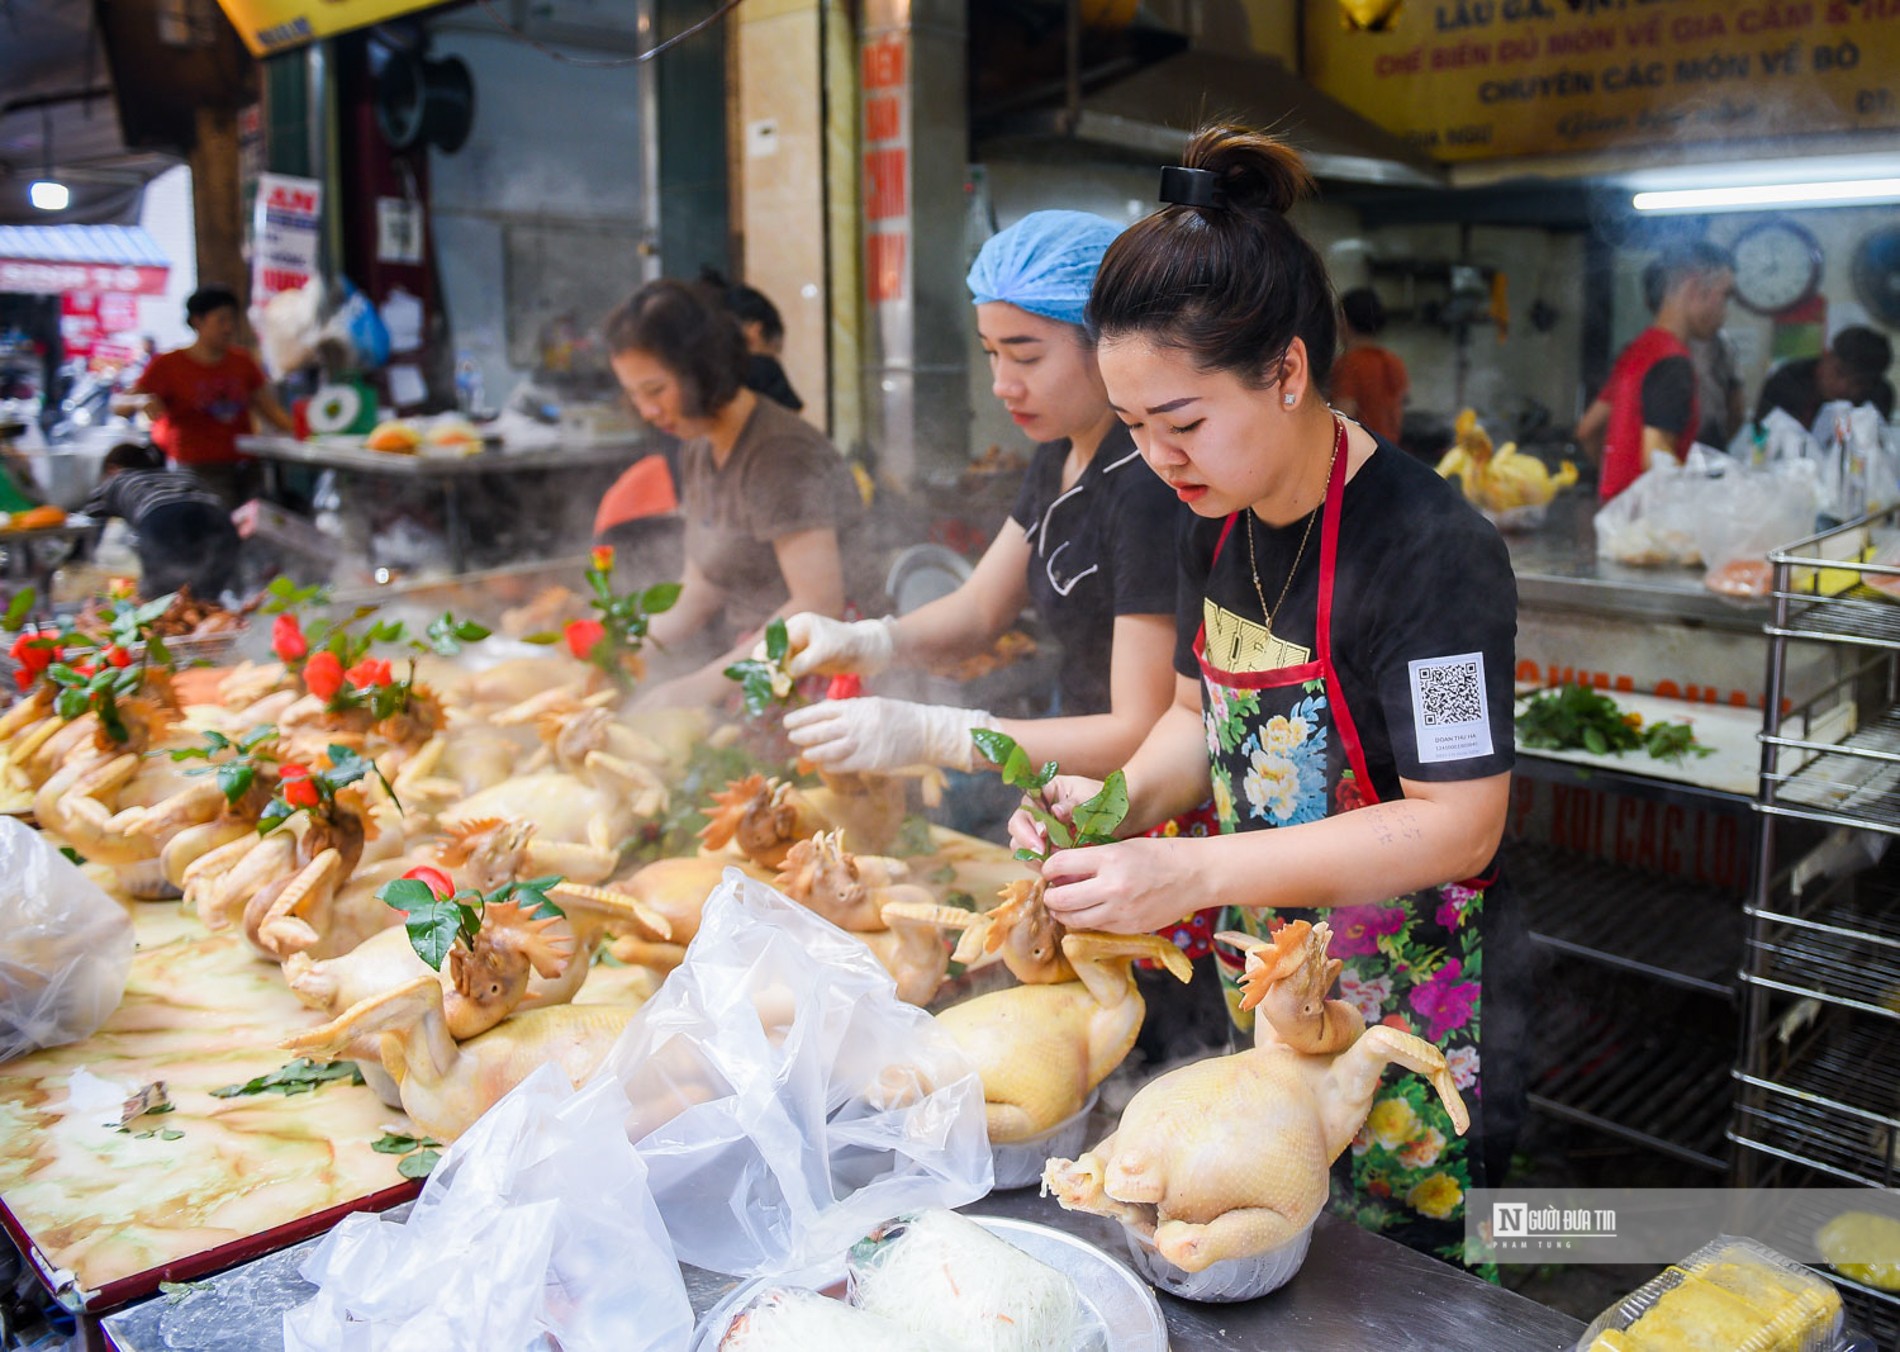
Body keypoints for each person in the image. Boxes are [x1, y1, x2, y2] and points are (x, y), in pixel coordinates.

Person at [1007, 125, 1525, 1269]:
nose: (1158, 458)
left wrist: (1191, 871)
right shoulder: (1209, 515)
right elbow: (1197, 719)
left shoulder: (1435, 551)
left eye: (1181, 422)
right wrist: (1109, 805)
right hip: (1276, 971)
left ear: (1287, 370)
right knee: (1260, 1235)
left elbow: (1460, 820)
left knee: (1400, 1272)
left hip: (1408, 999)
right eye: (1134, 426)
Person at [773, 212, 1227, 1047]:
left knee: (1135, 1034)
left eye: (1026, 355)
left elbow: (1142, 727)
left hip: (1143, 807)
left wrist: (943, 732)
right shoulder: (1062, 454)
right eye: (991, 355)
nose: (1002, 384)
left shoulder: (1149, 488)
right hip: (1063, 783)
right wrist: (872, 640)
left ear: (1110, 344)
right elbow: (981, 608)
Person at [606, 278, 858, 709]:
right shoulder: (699, 446)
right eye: (634, 394)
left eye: (655, 390)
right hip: (756, 664)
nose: (647, 411)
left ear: (702, 368)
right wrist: (624, 650)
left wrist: (701, 685)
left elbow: (817, 602)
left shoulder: (779, 454)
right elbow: (702, 584)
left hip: (824, 675)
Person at [1573, 241, 1733, 501]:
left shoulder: (1638, 350)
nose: (1725, 311)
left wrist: (1620, 496)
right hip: (1647, 532)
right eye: (1725, 295)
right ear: (1694, 288)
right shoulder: (1673, 363)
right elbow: (1657, 464)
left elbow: (1587, 430)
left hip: (1619, 522)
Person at [119, 287, 292, 510]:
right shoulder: (169, 364)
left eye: (232, 319)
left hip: (246, 466)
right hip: (196, 471)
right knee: (213, 532)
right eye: (221, 320)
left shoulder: (242, 362)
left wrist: (306, 431)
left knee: (255, 531)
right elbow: (119, 406)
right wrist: (140, 402)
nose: (229, 328)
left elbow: (271, 411)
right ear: (197, 321)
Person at [82, 443, 240, 601]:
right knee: (208, 595)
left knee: (163, 598)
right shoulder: (180, 474)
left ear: (112, 468)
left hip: (164, 520)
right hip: (218, 520)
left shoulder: (119, 479)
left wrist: (86, 559)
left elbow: (90, 517)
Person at [704, 269, 804, 413]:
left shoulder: (699, 376)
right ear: (755, 331)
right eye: (775, 349)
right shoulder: (763, 369)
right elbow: (791, 422)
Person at [1757, 324, 1896, 428]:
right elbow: (1761, 434)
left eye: (1858, 383)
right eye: (1839, 372)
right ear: (1827, 357)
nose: (1843, 387)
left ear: (1871, 385)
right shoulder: (1788, 380)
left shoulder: (1878, 397)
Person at [1329, 287, 1408, 445]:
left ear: (1344, 320)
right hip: (1390, 453)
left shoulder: (1349, 364)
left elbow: (1342, 422)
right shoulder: (1394, 362)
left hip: (1362, 457)